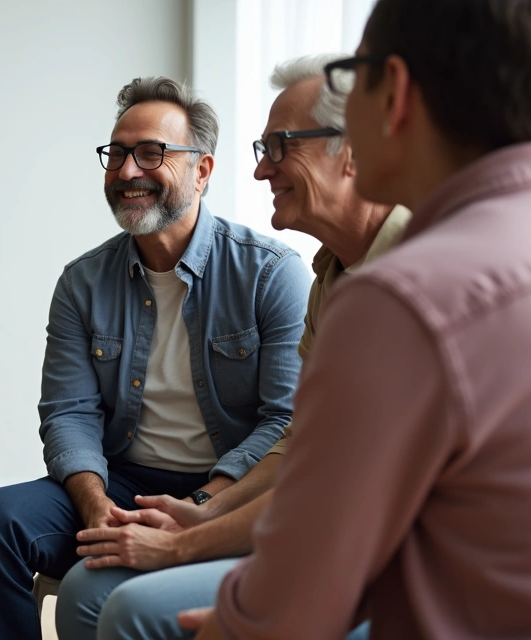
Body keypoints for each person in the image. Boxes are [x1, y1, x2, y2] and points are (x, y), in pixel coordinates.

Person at [187, 0, 531, 638]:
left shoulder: (400, 300)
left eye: (354, 81)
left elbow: (294, 598)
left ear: (392, 93)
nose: (261, 167)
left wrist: (227, 609)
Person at [53, 54, 410, 640]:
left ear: (353, 150)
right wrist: (194, 517)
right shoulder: (332, 277)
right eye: (117, 154)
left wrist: (190, 534)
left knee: (123, 607)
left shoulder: (405, 269)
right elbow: (305, 441)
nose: (262, 172)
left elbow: (338, 482)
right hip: (273, 513)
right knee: (70, 574)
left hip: (394, 551)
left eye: (280, 147)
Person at [0, 76, 309, 640]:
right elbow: (68, 414)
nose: (127, 172)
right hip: (119, 482)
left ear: (202, 170)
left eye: (152, 153)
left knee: (98, 590)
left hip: (229, 487)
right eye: (117, 154)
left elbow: (285, 422)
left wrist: (201, 504)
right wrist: (95, 507)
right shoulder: (82, 282)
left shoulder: (271, 273)